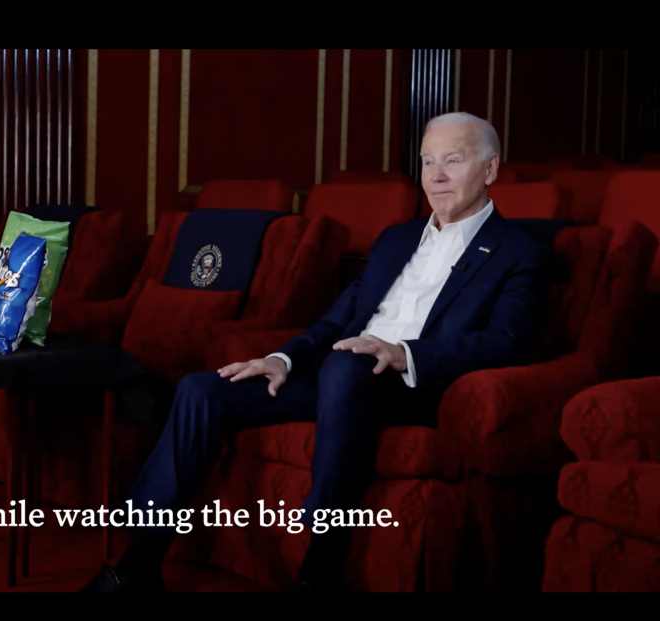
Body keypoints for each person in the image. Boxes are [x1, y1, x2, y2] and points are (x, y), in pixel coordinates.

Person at [79, 112, 552, 592]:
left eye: (453, 160)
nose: (437, 176)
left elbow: (508, 342)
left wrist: (404, 352)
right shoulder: (396, 239)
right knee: (204, 389)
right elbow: (335, 320)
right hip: (339, 376)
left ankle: (319, 570)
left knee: (346, 366)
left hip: (414, 386)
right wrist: (280, 359)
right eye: (428, 162)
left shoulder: (518, 249)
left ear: (490, 169)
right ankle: (138, 565)